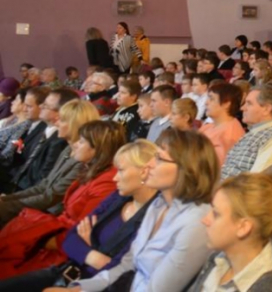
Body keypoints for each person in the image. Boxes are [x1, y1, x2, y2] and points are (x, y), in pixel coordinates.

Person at [67, 130, 220, 292]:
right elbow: (126, 265)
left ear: (187, 169)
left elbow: (156, 289)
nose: (149, 165)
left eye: (159, 159)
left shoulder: (196, 223)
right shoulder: (158, 204)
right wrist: (79, 289)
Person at [0, 140, 157, 290]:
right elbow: (71, 238)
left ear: (143, 172)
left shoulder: (154, 217)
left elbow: (119, 272)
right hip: (66, 271)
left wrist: (89, 246)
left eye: (121, 170)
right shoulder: (118, 197)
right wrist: (94, 255)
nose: (115, 177)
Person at [0, 121, 125, 277]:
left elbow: (82, 230)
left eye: (81, 141)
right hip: (54, 233)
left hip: (61, 247)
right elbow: (45, 186)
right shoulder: (90, 169)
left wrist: (40, 240)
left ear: (97, 148)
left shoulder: (106, 181)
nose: (75, 145)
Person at [189, 173, 272, 291]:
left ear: (243, 228)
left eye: (216, 214)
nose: (205, 220)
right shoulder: (218, 258)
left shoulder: (269, 287)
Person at [0, 100, 97, 228]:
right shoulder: (68, 149)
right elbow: (44, 185)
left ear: (75, 125)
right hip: (39, 207)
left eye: (61, 120)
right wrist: (6, 200)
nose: (56, 123)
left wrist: (5, 206)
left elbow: (52, 196)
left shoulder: (83, 159)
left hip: (51, 216)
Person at [221, 87, 272, 178]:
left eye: (249, 103)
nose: (242, 108)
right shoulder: (252, 133)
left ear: (266, 109)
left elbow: (256, 181)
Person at [198, 82, 245, 164]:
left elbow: (214, 169)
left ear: (226, 104)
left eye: (211, 99)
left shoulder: (229, 136)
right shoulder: (209, 126)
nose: (206, 102)